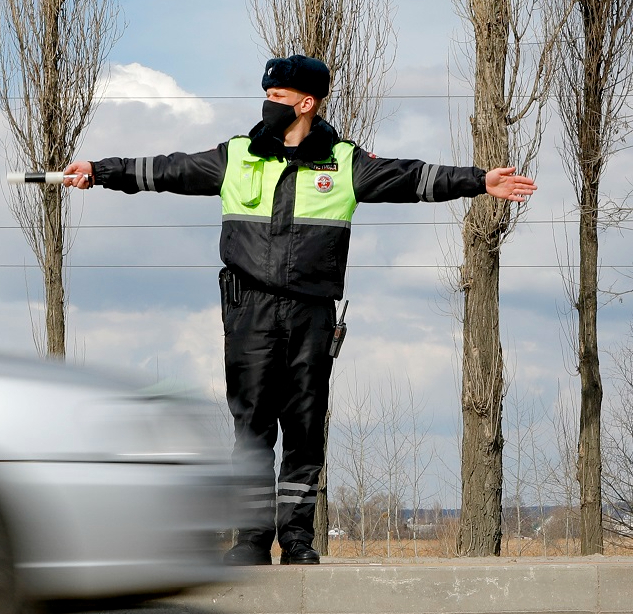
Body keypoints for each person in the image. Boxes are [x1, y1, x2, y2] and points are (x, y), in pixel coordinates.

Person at [62, 54, 536, 566]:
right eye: (267, 97)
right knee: (253, 427)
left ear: (306, 103)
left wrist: (479, 181)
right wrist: (100, 171)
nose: (268, 105)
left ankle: (297, 540)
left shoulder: (344, 162)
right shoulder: (236, 157)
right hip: (249, 311)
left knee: (304, 428)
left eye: (279, 98)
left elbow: (413, 178)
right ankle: (250, 540)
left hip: (312, 313)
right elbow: (163, 170)